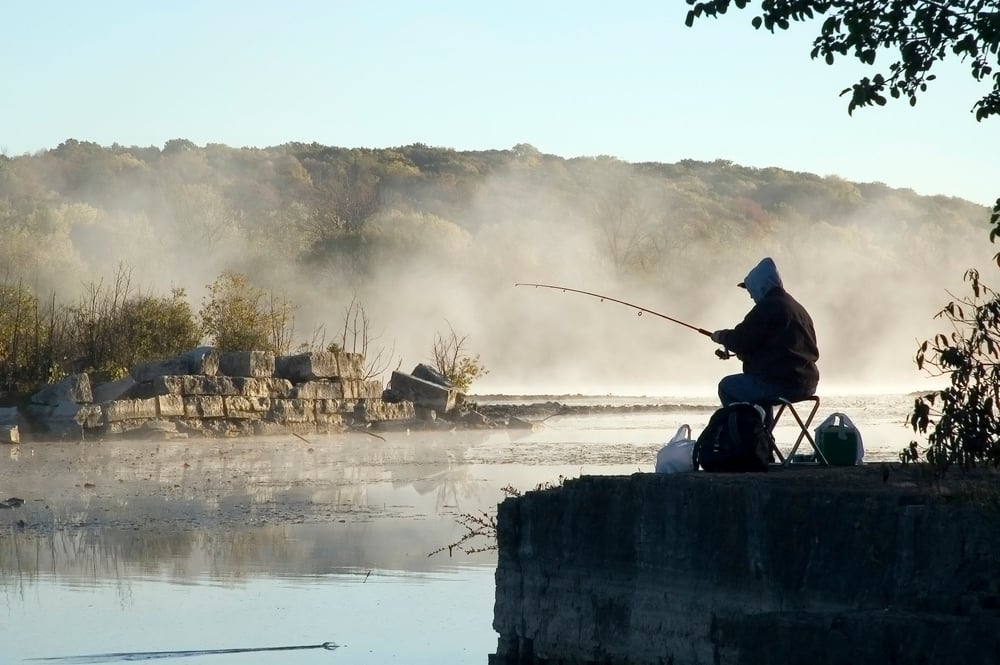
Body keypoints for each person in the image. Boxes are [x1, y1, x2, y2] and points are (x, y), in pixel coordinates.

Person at [709, 257, 819, 428]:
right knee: (758, 392)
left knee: (727, 387)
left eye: (750, 290)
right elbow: (779, 348)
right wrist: (744, 355)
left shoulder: (768, 307)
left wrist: (720, 337)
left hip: (781, 383)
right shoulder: (797, 309)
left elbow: (740, 340)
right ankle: (763, 442)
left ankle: (749, 441)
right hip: (807, 383)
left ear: (760, 286)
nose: (751, 295)